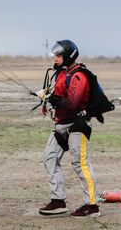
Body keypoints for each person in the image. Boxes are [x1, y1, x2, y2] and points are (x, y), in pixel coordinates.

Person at [38, 40, 100, 217]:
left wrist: (55, 100)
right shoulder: (60, 73)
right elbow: (58, 95)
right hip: (61, 124)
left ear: (67, 56)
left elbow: (72, 103)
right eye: (55, 56)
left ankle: (92, 206)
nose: (55, 59)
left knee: (80, 164)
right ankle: (58, 201)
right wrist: (46, 95)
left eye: (58, 56)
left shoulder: (79, 75)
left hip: (77, 125)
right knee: (49, 157)